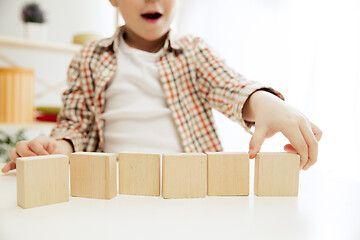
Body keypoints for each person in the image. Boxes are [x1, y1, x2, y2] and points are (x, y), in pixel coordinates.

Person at [1, 0, 322, 174]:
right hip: (113, 186)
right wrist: (60, 148)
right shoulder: (89, 57)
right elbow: (77, 127)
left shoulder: (193, 51)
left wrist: (265, 101)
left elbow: (230, 86)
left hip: (191, 185)